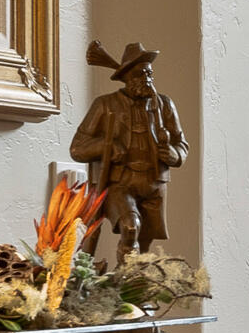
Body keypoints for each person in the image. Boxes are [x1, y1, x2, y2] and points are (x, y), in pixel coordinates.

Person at [70, 40, 188, 252]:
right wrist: (107, 146)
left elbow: (181, 144)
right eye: (141, 74)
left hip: (154, 184)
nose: (148, 79)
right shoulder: (105, 105)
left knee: (145, 243)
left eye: (149, 74)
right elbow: (78, 148)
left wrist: (174, 154)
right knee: (131, 227)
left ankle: (132, 281)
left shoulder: (163, 104)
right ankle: (124, 278)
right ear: (127, 78)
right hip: (120, 183)